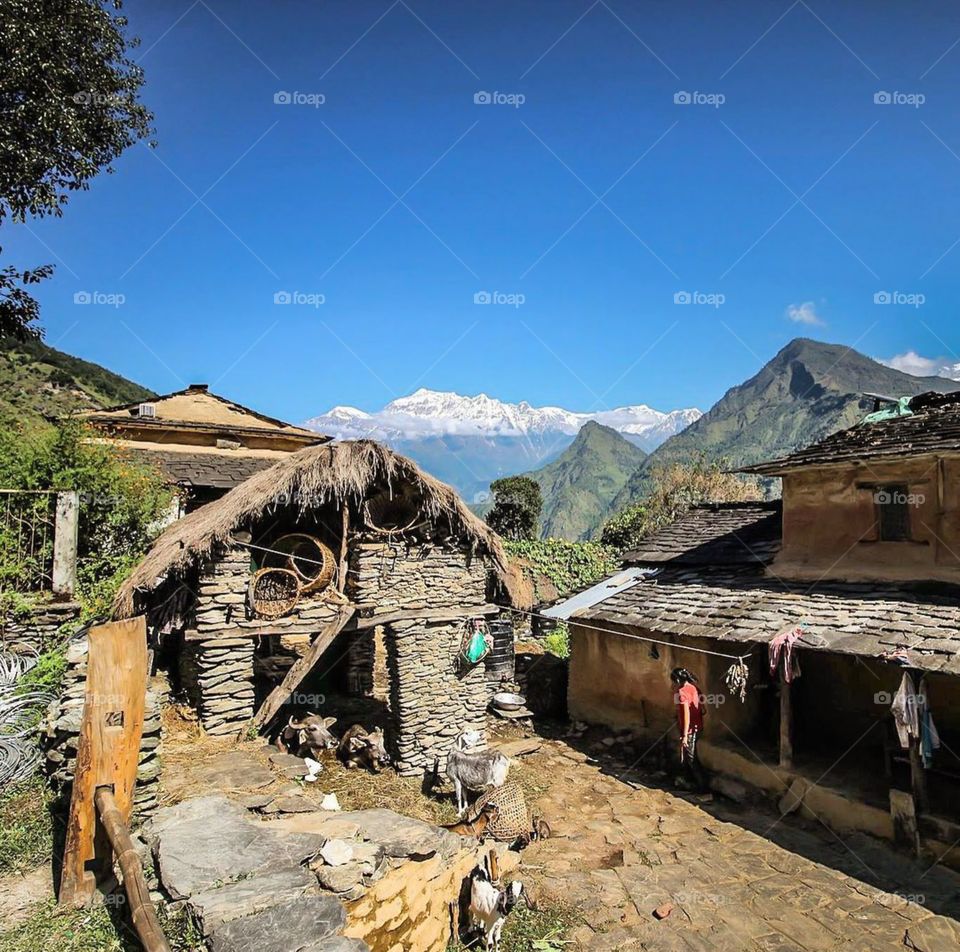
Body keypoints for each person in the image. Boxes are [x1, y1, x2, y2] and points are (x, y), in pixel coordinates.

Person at [671, 667, 707, 791]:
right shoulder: (695, 688)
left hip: (690, 730)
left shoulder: (681, 692)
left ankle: (702, 786)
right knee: (688, 756)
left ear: (677, 680)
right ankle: (689, 780)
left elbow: (686, 715)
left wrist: (685, 735)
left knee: (691, 758)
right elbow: (702, 708)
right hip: (699, 727)